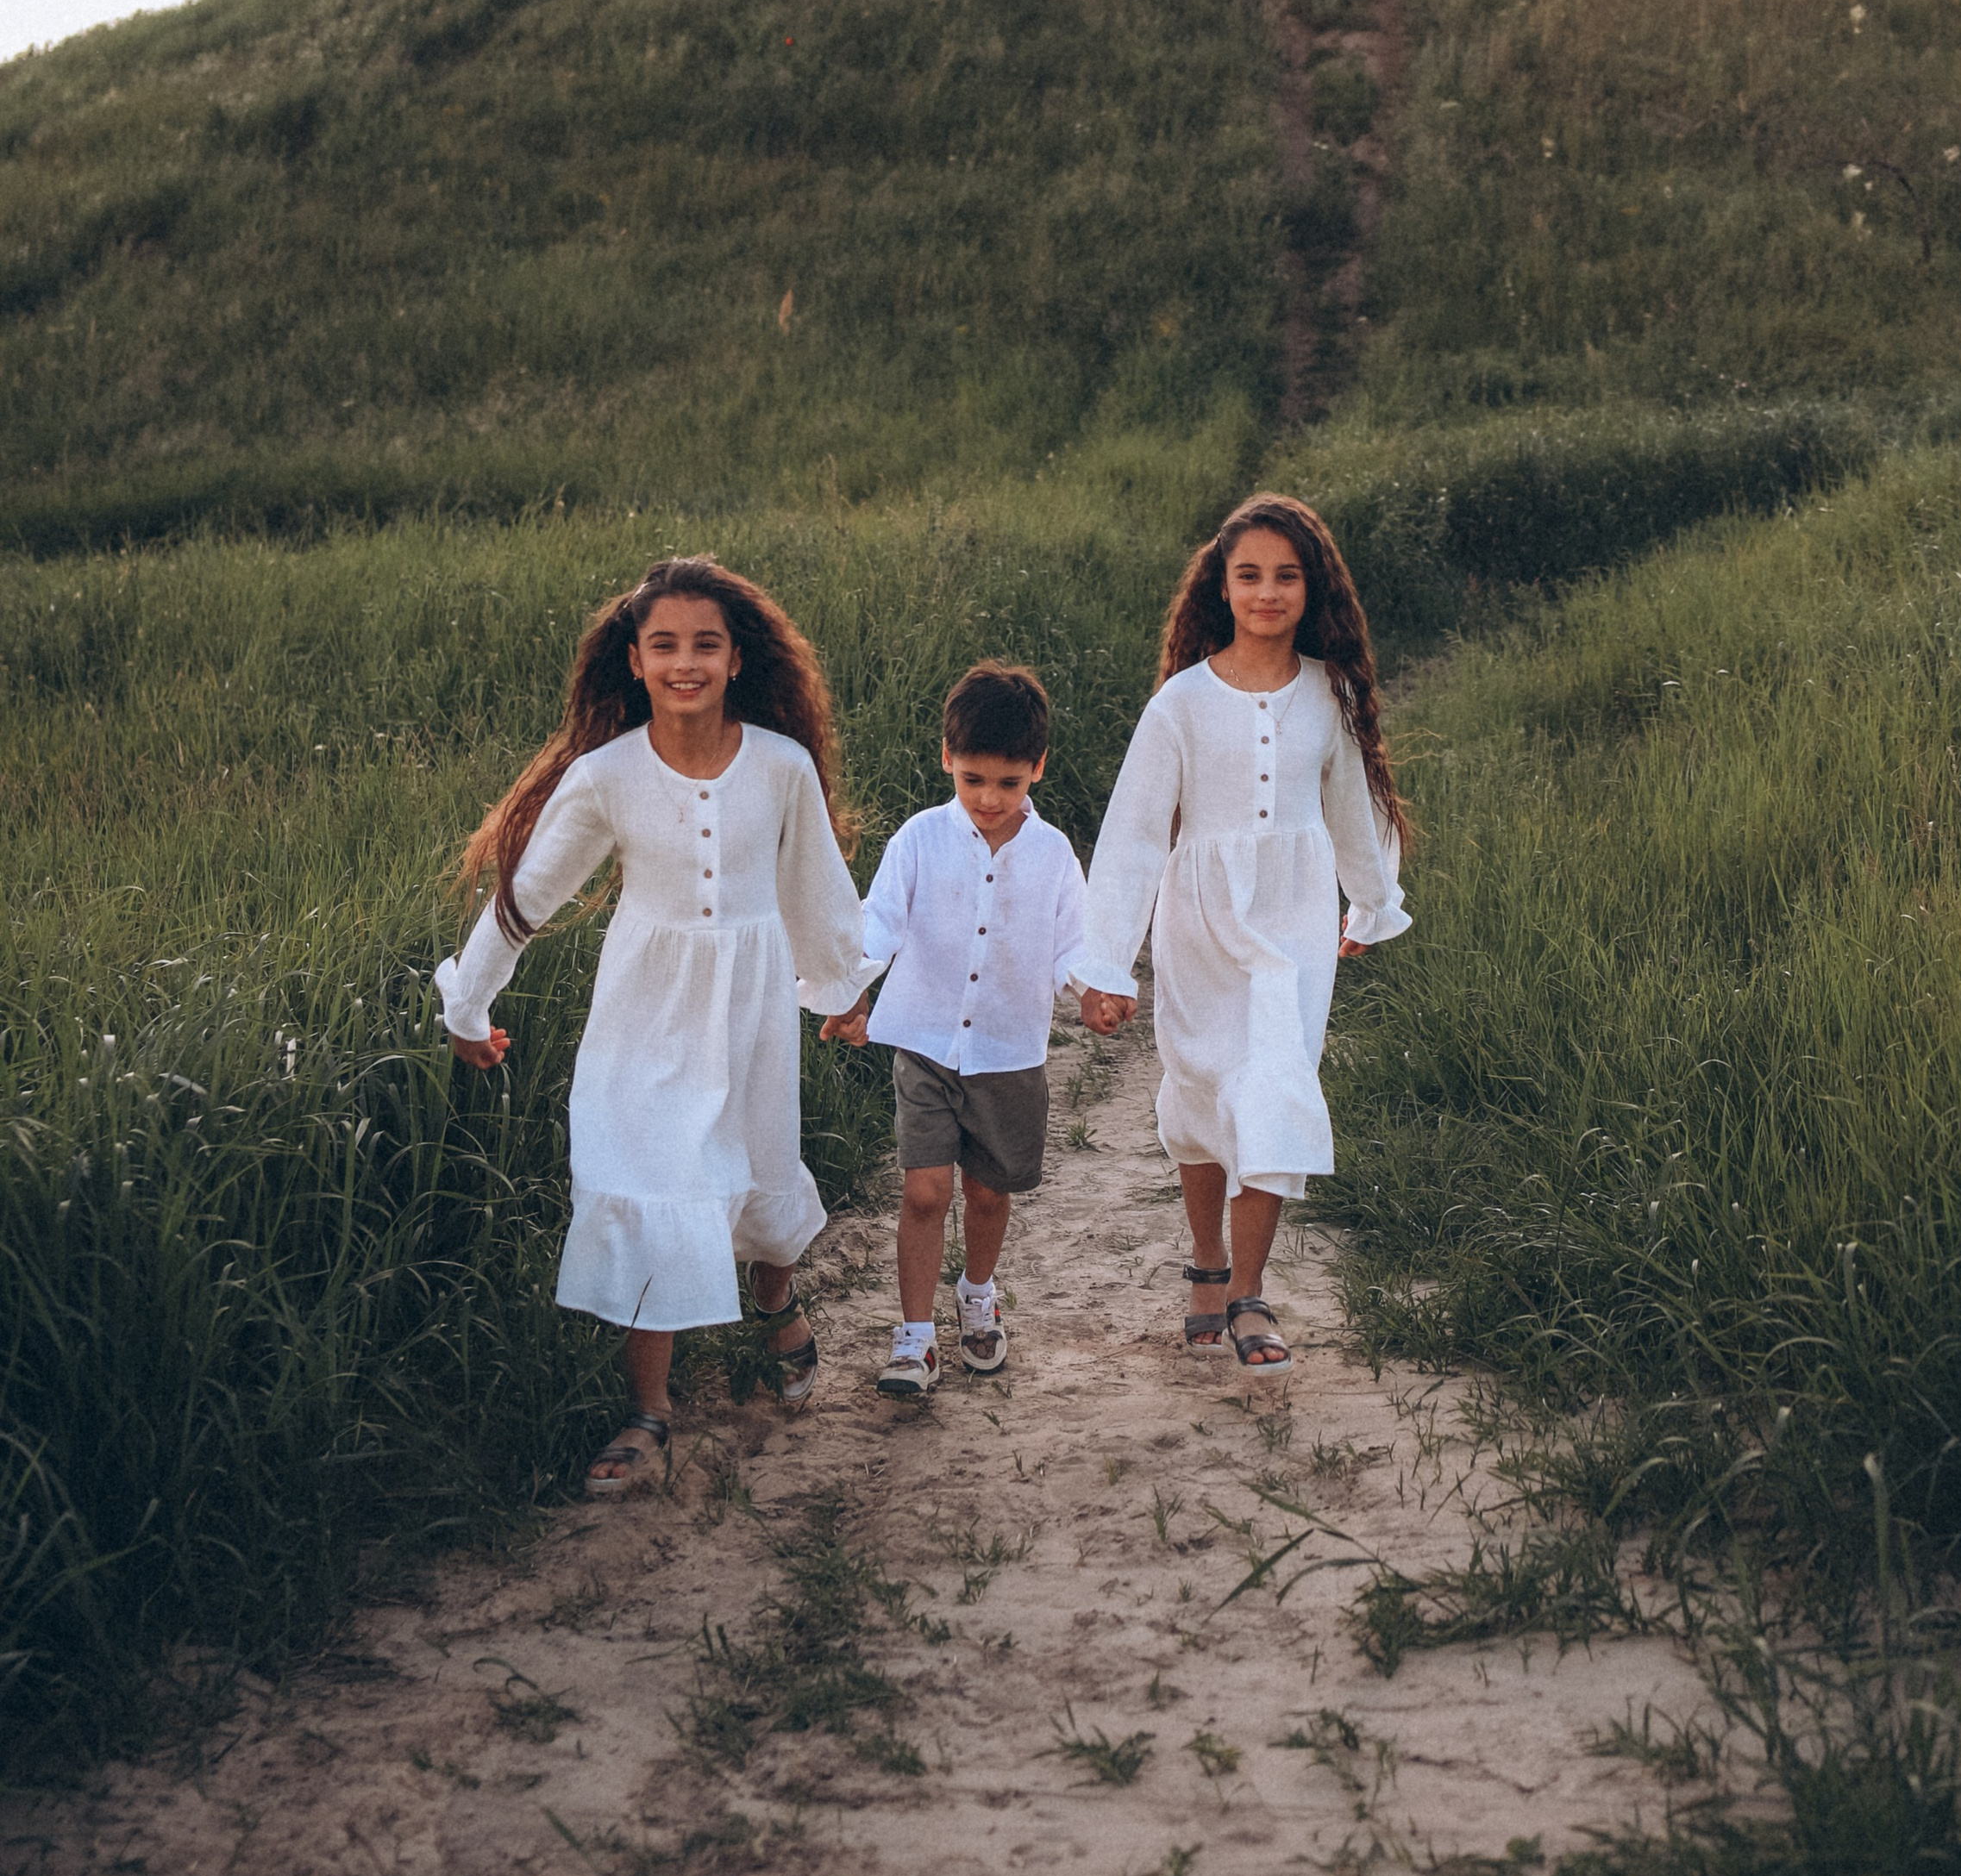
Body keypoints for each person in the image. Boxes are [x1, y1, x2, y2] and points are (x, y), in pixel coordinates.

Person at [436, 553, 868, 1494]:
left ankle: (776, 1301)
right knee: (649, 1176)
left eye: (704, 645)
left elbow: (816, 890)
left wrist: (843, 992)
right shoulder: (606, 777)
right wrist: (468, 1003)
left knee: (753, 1167)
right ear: (633, 661)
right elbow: (528, 897)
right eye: (664, 644)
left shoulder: (782, 767)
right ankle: (649, 1412)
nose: (685, 662)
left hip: (748, 1005)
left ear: (736, 658)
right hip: (646, 1010)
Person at [1077, 494, 1410, 1372]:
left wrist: (1371, 903)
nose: (1267, 592)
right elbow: (1136, 833)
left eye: (1286, 576)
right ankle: (1206, 1266)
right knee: (1200, 1090)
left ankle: (1248, 1294)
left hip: (1293, 921)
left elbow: (1353, 806)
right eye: (1249, 575)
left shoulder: (1328, 692)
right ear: (1220, 588)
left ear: (1312, 588)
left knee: (1273, 1083)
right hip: (1200, 922)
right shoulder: (1179, 705)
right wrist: (1105, 959)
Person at [821, 661, 1087, 1398]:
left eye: (1008, 782)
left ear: (1037, 767)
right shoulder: (919, 838)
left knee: (988, 1194)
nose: (989, 799)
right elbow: (877, 925)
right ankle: (914, 1340)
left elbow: (1075, 944)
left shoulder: (1055, 854)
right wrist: (847, 994)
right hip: (927, 1043)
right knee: (926, 1191)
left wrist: (1094, 992)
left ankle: (977, 1291)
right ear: (947, 757)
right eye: (972, 780)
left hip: (1009, 1051)